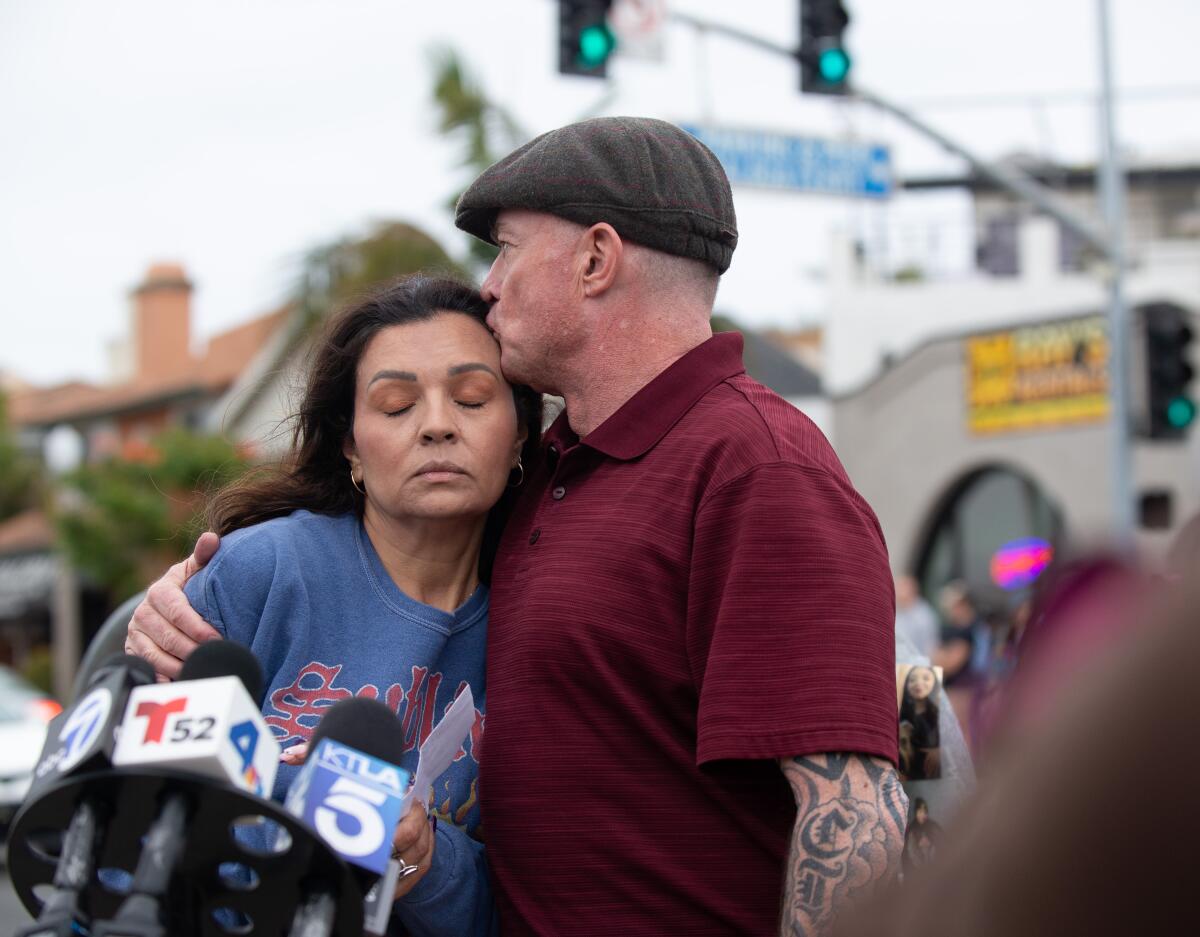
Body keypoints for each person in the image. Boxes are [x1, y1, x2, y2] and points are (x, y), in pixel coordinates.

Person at [128, 117, 905, 937]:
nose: (490, 284)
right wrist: (171, 606)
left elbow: (852, 811)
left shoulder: (758, 467)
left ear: (595, 260)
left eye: (506, 248)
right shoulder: (549, 477)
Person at [169, 275, 541, 937]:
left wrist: (425, 858)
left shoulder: (542, 628)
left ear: (519, 436)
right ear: (350, 446)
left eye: (473, 398)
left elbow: (513, 906)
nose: (436, 425)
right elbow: (134, 818)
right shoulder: (260, 571)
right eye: (396, 405)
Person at [898, 666, 941, 781]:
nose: (918, 683)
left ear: (935, 684)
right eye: (912, 680)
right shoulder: (899, 715)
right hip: (905, 777)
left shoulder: (940, 715)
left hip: (933, 777)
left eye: (926, 678)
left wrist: (939, 750)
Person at [894, 574, 939, 659]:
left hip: (918, 665)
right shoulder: (899, 612)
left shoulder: (923, 614)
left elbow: (930, 646)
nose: (897, 590)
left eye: (901, 587)